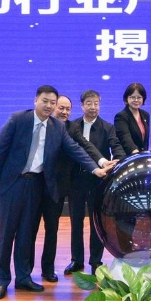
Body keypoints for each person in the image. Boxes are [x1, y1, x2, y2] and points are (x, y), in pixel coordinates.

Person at [0, 85, 113, 300]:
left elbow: (76, 149)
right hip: (12, 184)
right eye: (45, 101)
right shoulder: (18, 119)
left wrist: (96, 168)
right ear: (36, 100)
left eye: (52, 103)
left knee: (26, 233)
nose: (49, 106)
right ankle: (1, 280)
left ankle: (23, 277)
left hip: (36, 185)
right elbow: (0, 149)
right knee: (7, 233)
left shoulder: (57, 127)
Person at [32, 94, 105, 283]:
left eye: (67, 109)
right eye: (61, 108)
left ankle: (48, 270)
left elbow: (84, 147)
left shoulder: (71, 128)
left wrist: (100, 163)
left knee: (52, 229)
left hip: (58, 187)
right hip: (34, 185)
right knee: (29, 230)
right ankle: (24, 273)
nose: (64, 112)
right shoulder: (36, 124)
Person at [64, 89, 126, 275]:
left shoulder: (107, 127)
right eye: (89, 103)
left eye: (96, 103)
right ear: (82, 105)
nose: (93, 107)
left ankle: (96, 261)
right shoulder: (72, 126)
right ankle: (76, 260)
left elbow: (116, 147)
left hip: (97, 181)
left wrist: (118, 160)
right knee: (76, 222)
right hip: (75, 181)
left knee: (96, 223)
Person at [113, 82, 150, 155]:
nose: (136, 100)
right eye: (132, 97)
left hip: (142, 157)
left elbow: (145, 141)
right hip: (127, 157)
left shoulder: (146, 115)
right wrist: (136, 154)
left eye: (139, 97)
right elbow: (125, 138)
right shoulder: (121, 116)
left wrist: (144, 156)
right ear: (126, 98)